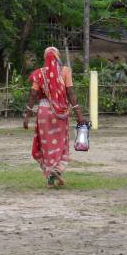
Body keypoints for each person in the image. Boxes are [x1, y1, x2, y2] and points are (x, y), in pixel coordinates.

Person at [23, 47, 85, 188]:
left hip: (44, 112)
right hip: (61, 113)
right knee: (60, 143)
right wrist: (79, 115)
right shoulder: (65, 71)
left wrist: (27, 116)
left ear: (45, 58)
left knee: (46, 146)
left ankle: (50, 175)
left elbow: (33, 94)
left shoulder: (39, 74)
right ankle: (56, 170)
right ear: (58, 57)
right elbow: (71, 93)